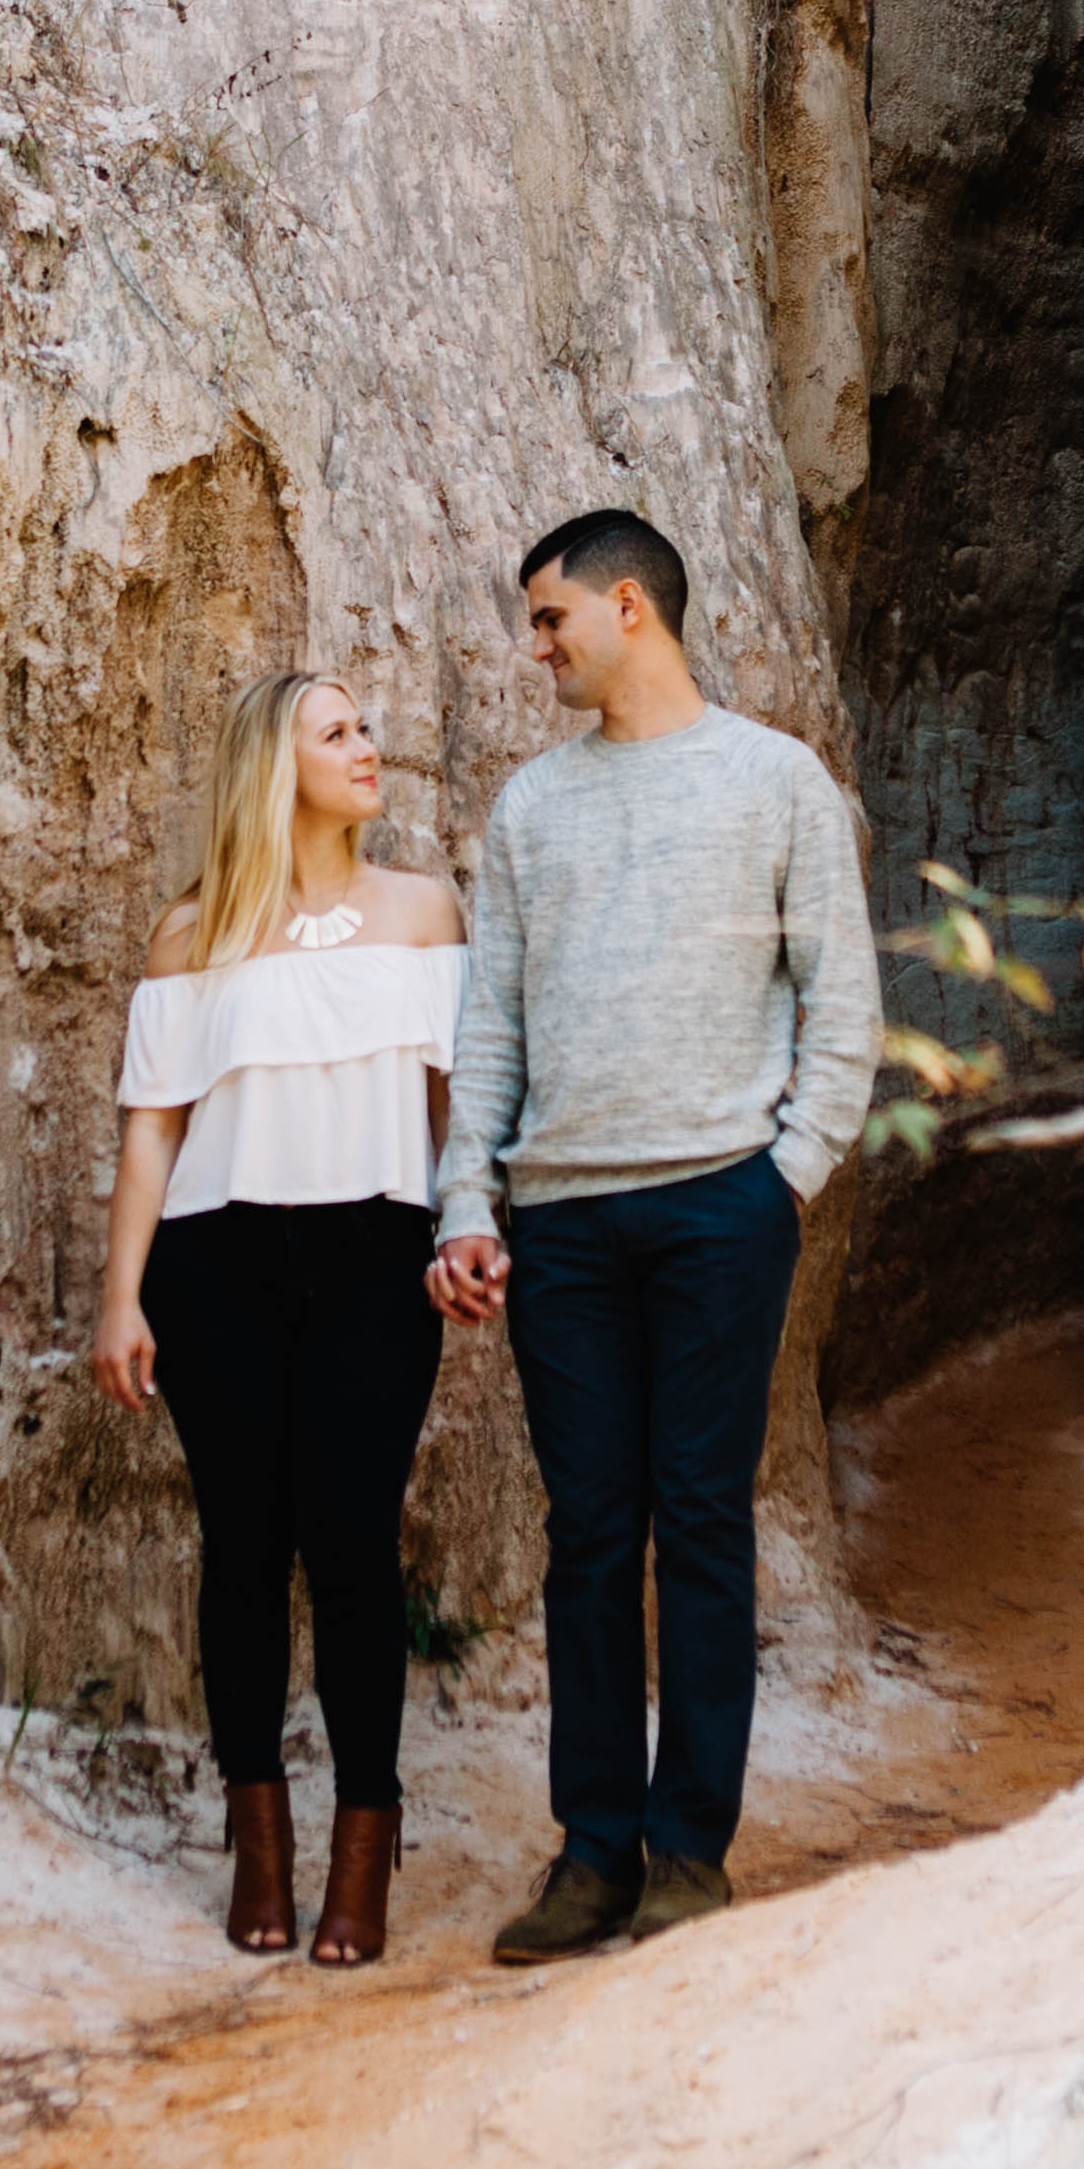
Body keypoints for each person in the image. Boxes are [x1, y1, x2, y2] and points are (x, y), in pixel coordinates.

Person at [428, 509, 878, 1964]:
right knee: (585, 1536)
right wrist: (467, 1195)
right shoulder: (530, 810)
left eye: (551, 618)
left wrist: (780, 1175)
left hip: (715, 1206)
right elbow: (484, 1024)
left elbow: (844, 1004)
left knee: (699, 1520)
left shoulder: (773, 780)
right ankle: (591, 1853)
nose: (537, 646)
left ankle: (690, 1850)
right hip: (561, 1217)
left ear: (630, 605)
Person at [95, 671, 462, 1967]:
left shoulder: (423, 913)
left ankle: (364, 1839)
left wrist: (473, 1228)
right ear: (276, 764)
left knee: (353, 1543)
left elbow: (456, 1104)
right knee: (240, 1547)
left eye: (369, 723)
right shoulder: (192, 934)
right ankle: (260, 1835)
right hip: (217, 1256)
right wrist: (119, 1297)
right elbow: (152, 1131)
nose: (370, 745)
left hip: (375, 1250)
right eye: (338, 730)